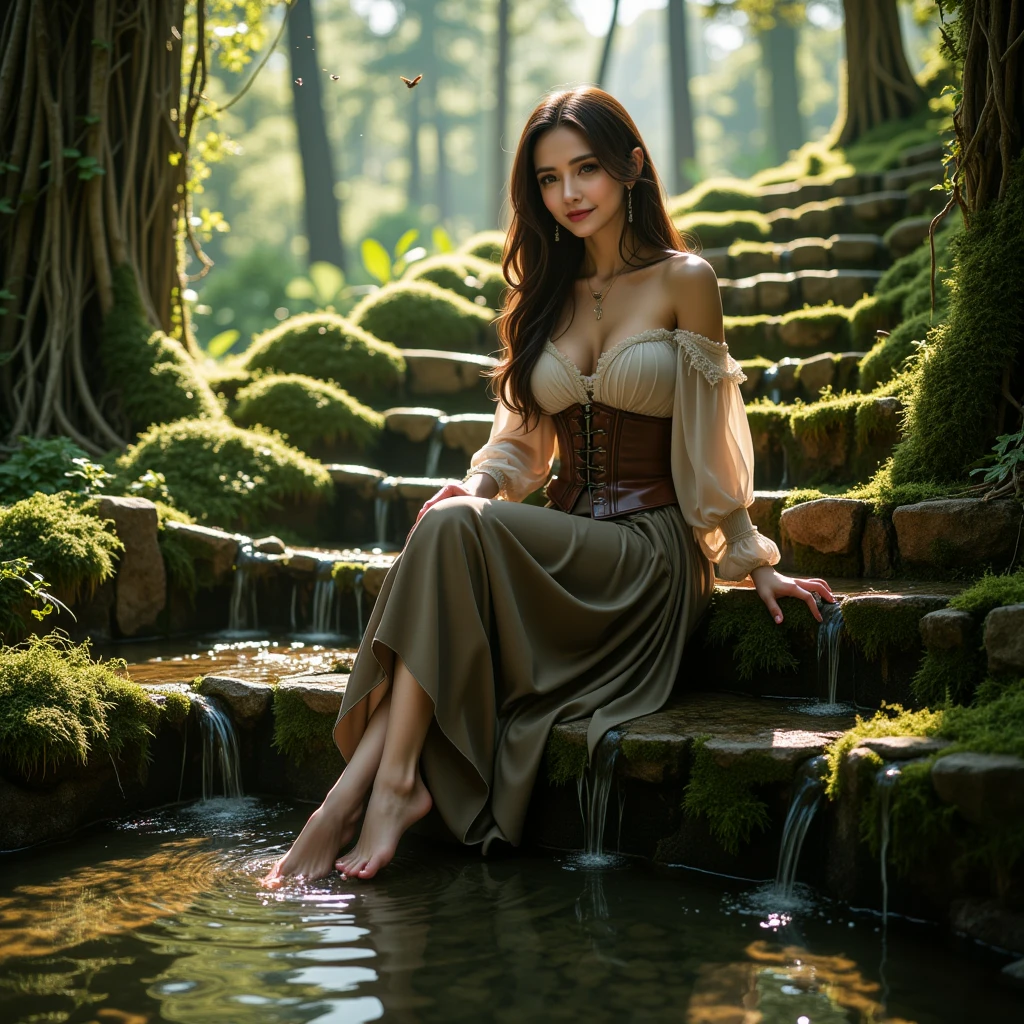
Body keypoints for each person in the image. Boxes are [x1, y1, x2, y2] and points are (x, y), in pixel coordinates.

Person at [264, 86, 834, 886]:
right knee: (454, 520)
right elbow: (520, 444)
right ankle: (366, 792)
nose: (568, 194)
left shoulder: (685, 279)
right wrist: (474, 484)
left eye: (587, 170)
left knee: (454, 532)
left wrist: (750, 552)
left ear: (632, 167)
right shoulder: (542, 293)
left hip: (646, 560)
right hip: (563, 546)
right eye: (547, 178)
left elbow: (710, 429)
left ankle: (365, 795)